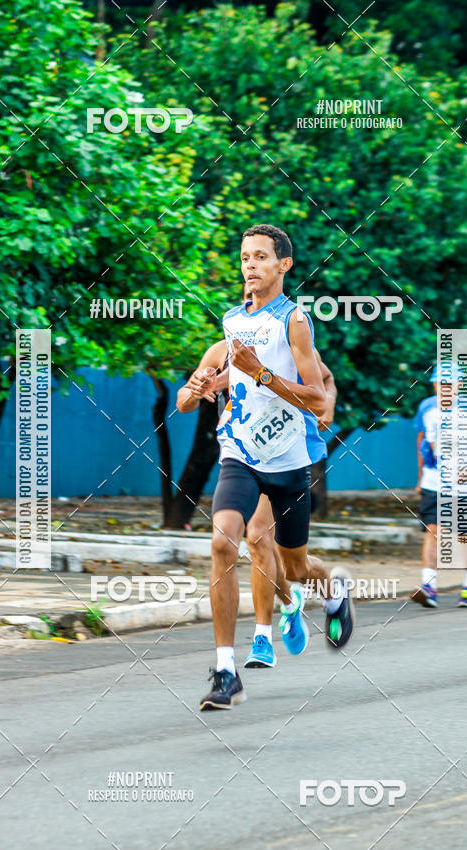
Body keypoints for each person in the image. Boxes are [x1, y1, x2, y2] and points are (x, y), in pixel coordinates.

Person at [199, 223, 354, 710]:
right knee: (225, 541)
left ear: (283, 265)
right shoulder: (231, 320)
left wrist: (260, 373)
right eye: (245, 256)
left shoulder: (296, 322)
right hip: (241, 454)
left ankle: (331, 589)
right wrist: (207, 384)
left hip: (290, 463)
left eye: (261, 256)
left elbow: (317, 401)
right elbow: (215, 381)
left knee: (296, 566)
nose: (250, 264)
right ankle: (226, 671)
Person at [177, 335, 337, 670]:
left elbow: (325, 381)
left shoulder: (289, 339)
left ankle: (327, 593)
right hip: (241, 454)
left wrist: (328, 408)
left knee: (265, 541)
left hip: (283, 454)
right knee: (241, 540)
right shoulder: (221, 349)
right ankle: (278, 618)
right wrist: (194, 389)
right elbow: (183, 402)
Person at [411, 363, 467, 608]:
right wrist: (420, 475)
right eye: (438, 383)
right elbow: (422, 441)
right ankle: (429, 587)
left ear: (458, 386)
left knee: (463, 536)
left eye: (448, 384)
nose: (443, 388)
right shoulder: (426, 407)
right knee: (433, 530)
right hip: (435, 482)